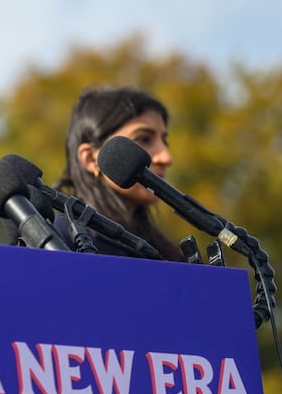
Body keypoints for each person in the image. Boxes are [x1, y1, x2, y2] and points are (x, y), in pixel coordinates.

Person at [53, 86, 184, 262]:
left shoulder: (165, 251)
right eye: (144, 139)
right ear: (91, 158)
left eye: (164, 141)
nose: (166, 157)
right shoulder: (59, 243)